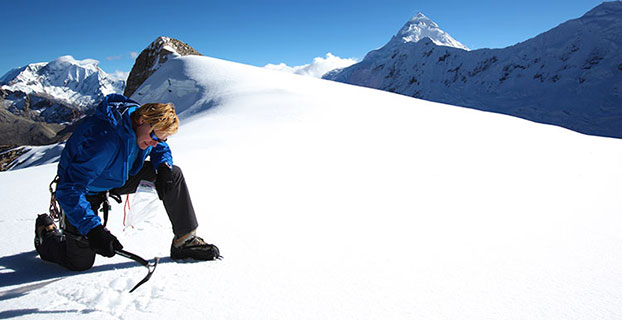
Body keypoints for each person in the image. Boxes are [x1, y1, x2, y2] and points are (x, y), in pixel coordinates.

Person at [34, 94, 220, 271]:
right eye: (154, 137)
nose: (155, 143)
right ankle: (46, 233)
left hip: (117, 176)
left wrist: (163, 166)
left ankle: (185, 241)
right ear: (142, 120)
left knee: (174, 174)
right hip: (85, 189)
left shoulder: (144, 127)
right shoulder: (105, 139)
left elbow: (160, 145)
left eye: (161, 138)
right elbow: (70, 189)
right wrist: (93, 229)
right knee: (78, 262)